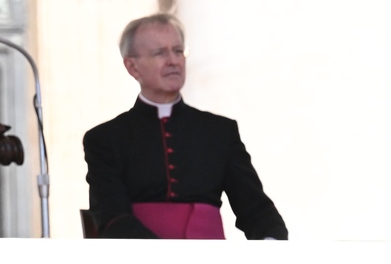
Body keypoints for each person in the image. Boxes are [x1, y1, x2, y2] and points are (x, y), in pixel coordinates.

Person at [83, 13, 287, 239]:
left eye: (178, 51)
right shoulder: (106, 139)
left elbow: (256, 210)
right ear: (132, 67)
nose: (173, 60)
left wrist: (271, 243)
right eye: (160, 53)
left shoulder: (219, 132)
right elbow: (112, 218)